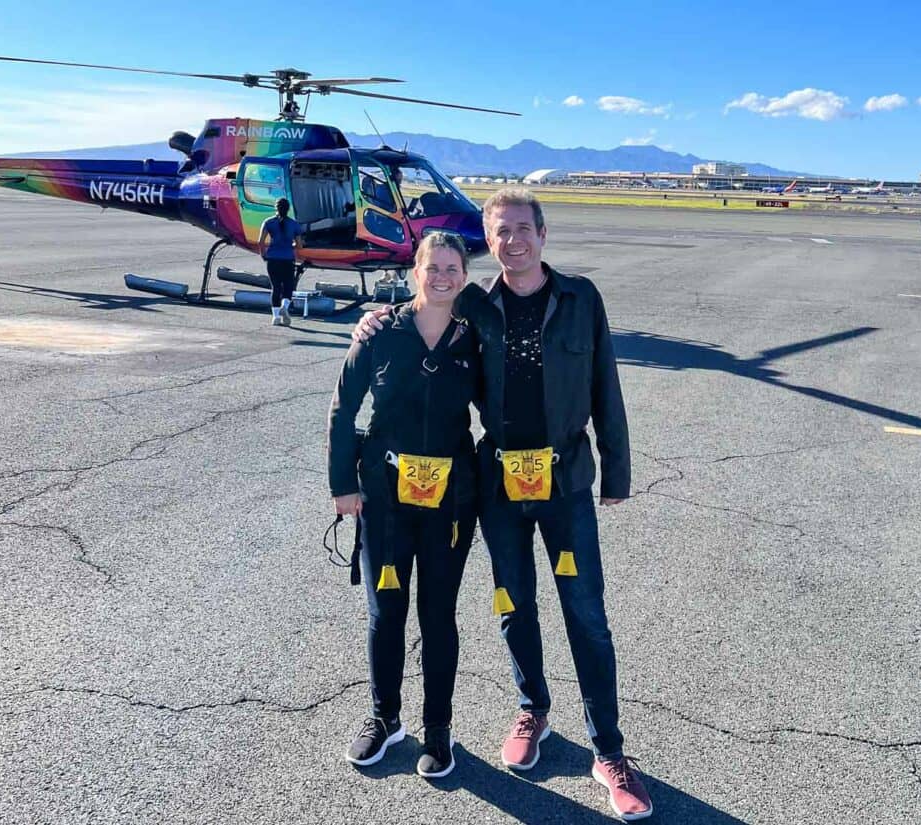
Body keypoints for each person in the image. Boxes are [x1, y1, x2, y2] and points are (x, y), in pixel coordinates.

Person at [354, 188, 652, 820]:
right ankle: (533, 710)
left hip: (565, 480)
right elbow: (418, 312)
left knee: (586, 614)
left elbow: (606, 386)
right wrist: (373, 319)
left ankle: (609, 751)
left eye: (522, 228)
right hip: (498, 484)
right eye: (499, 231)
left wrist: (615, 473)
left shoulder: (581, 299)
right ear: (486, 240)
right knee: (514, 606)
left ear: (542, 235)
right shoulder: (473, 307)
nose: (511, 240)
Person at [327, 231, 480, 779]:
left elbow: (508, 404)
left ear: (464, 276)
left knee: (438, 615)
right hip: (386, 500)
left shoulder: (475, 336)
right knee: (386, 610)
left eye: (452, 268)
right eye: (431, 267)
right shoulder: (380, 332)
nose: (441, 277)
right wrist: (342, 485)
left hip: (450, 504)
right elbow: (344, 410)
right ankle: (383, 717)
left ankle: (439, 729)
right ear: (415, 272)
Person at [257, 198, 303, 327]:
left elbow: (260, 242)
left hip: (273, 259)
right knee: (288, 285)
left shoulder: (268, 222)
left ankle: (276, 317)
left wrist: (263, 255)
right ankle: (285, 306)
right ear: (288, 209)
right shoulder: (294, 224)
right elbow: (299, 245)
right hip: (288, 259)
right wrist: (291, 245)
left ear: (275, 208)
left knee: (275, 287)